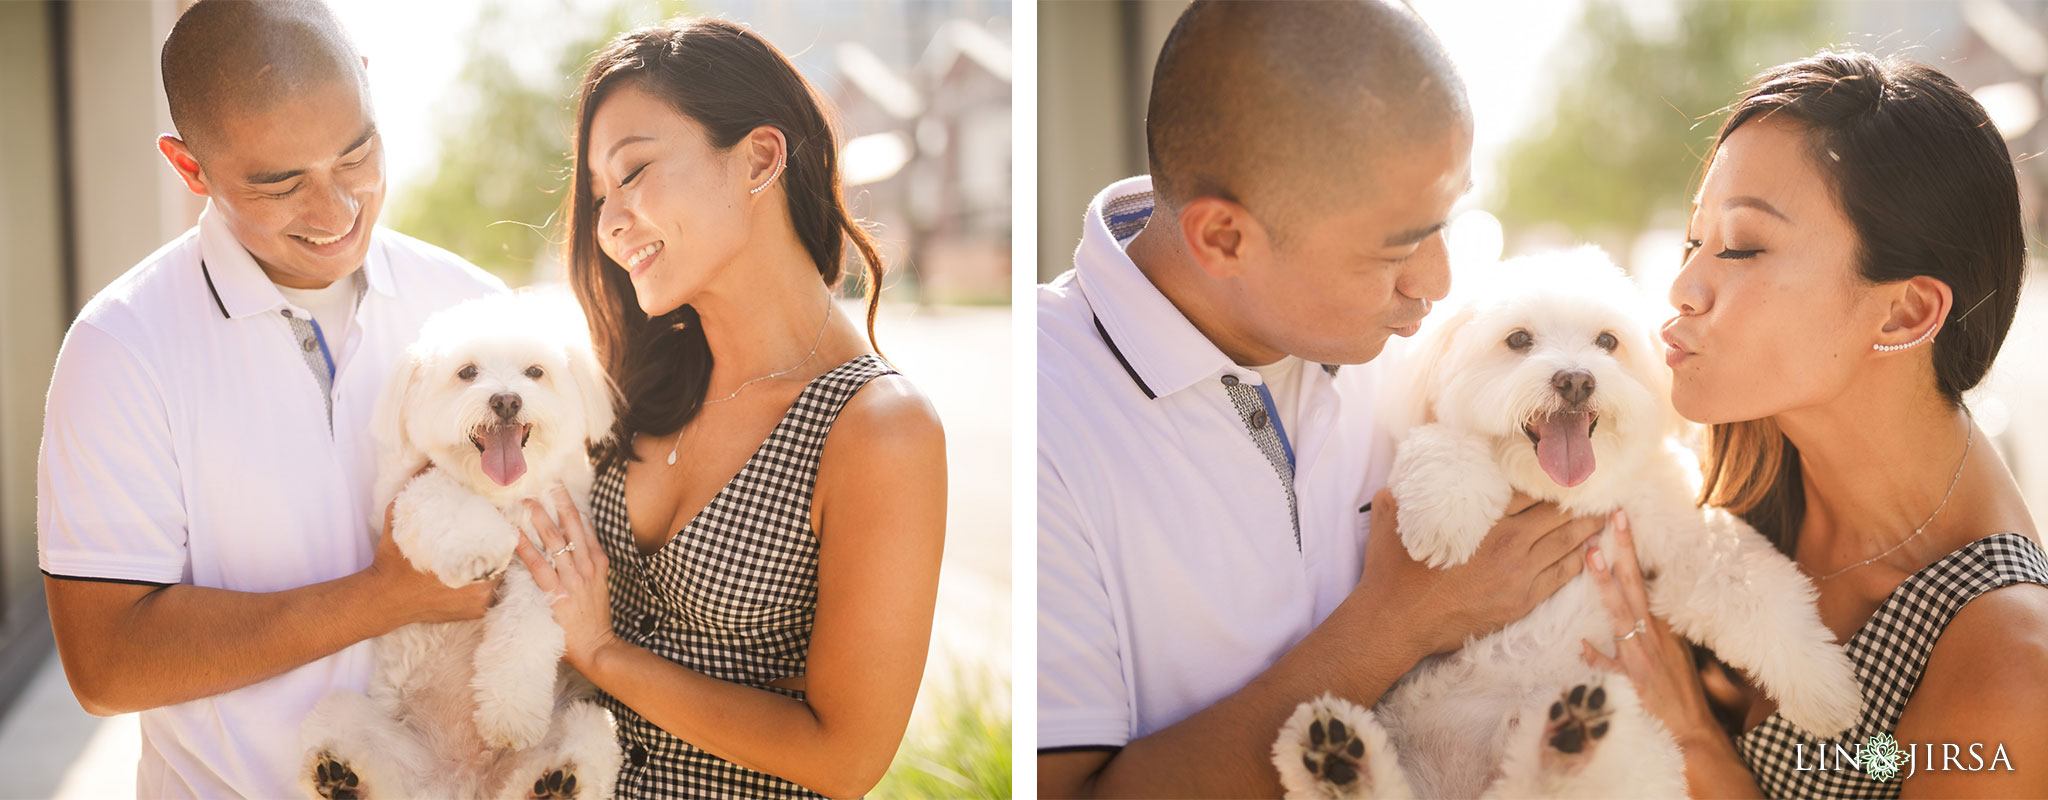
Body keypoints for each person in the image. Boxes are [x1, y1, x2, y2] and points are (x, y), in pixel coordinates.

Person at [1036, 1, 1608, 796]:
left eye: (1449, 220)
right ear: (1224, 239)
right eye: (1399, 246)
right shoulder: (1045, 410)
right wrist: (1397, 624)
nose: (1439, 283)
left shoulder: (1431, 350)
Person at [35, 1, 506, 797]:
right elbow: (106, 667)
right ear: (190, 169)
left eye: (356, 156)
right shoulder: (119, 349)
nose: (336, 211)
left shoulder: (472, 308)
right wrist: (380, 599)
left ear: (366, 83)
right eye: (281, 184)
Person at [1585, 50, 2048, 797]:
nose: (1683, 287)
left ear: (1905, 311)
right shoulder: (1721, 467)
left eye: (1742, 246)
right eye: (1693, 240)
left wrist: (1700, 749)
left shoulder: (2009, 655)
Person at [508, 17, 947, 799]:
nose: (608, 223)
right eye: (601, 194)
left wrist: (604, 653)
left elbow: (845, 759)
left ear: (759, 158)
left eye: (634, 172)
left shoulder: (878, 428)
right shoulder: (632, 386)